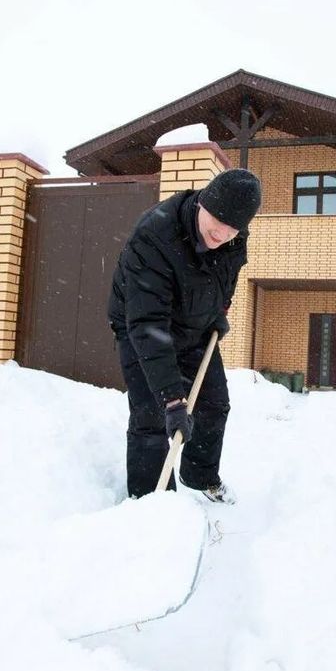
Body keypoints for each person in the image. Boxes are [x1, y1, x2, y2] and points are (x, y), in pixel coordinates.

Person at [108, 169, 262, 503]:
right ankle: (151, 500)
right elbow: (148, 323)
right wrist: (173, 399)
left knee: (213, 404)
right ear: (202, 203)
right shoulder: (154, 237)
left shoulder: (234, 235)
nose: (222, 233)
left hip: (195, 325)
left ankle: (200, 477)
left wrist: (219, 312)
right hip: (142, 326)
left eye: (232, 227)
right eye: (217, 221)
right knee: (152, 415)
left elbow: (227, 278)